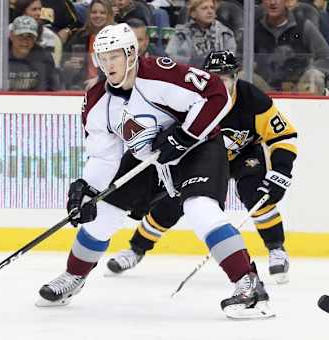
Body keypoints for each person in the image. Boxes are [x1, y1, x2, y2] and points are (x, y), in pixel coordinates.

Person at [36, 24, 274, 319]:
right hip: (149, 158)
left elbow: (216, 94)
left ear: (131, 54)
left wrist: (185, 136)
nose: (108, 64)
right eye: (102, 57)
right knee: (103, 212)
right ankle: (74, 275)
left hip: (197, 147)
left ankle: (248, 285)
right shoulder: (97, 101)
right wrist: (88, 189)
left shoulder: (160, 73)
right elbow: (104, 155)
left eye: (115, 56)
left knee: (200, 208)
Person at [107, 50, 298, 285]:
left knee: (256, 191)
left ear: (236, 76)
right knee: (173, 201)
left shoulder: (253, 99)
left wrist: (281, 170)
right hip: (202, 156)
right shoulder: (190, 97)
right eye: (213, 76)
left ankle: (276, 248)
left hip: (243, 155)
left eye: (225, 77)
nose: (220, 83)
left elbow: (283, 134)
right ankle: (136, 249)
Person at [254, 0, 329, 94]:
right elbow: (238, 60)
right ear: (262, 2)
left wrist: (306, 72)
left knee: (314, 76)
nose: (272, 2)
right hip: (264, 91)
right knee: (243, 75)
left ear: (286, 2)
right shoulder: (254, 29)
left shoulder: (304, 26)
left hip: (300, 89)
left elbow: (326, 59)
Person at [0, 15, 60, 91]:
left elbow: (52, 91)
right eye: (20, 36)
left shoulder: (44, 58)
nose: (25, 41)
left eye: (29, 36)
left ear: (35, 38)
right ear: (11, 36)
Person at [166, 0, 236, 67]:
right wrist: (195, 62)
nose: (210, 11)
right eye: (204, 8)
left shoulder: (225, 34)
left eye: (212, 8)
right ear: (193, 13)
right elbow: (170, 57)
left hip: (216, 76)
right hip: (187, 75)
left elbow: (229, 61)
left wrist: (206, 63)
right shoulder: (181, 34)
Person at [62, 0, 114, 90]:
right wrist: (68, 65)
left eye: (102, 13)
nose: (98, 15)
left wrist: (100, 79)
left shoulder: (116, 36)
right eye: (94, 12)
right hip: (80, 86)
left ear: (109, 15)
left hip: (107, 86)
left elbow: (121, 65)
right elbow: (63, 60)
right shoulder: (80, 35)